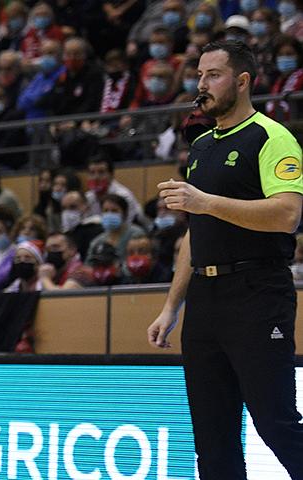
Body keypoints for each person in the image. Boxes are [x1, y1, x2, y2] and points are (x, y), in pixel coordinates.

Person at [149, 40, 303, 478]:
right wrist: (171, 305)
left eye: (213, 75)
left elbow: (288, 215)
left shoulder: (272, 137)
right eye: (199, 75)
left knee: (276, 424)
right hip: (205, 300)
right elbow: (195, 235)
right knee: (212, 439)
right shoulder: (200, 147)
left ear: (242, 81)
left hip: (257, 294)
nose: (202, 85)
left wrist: (206, 202)